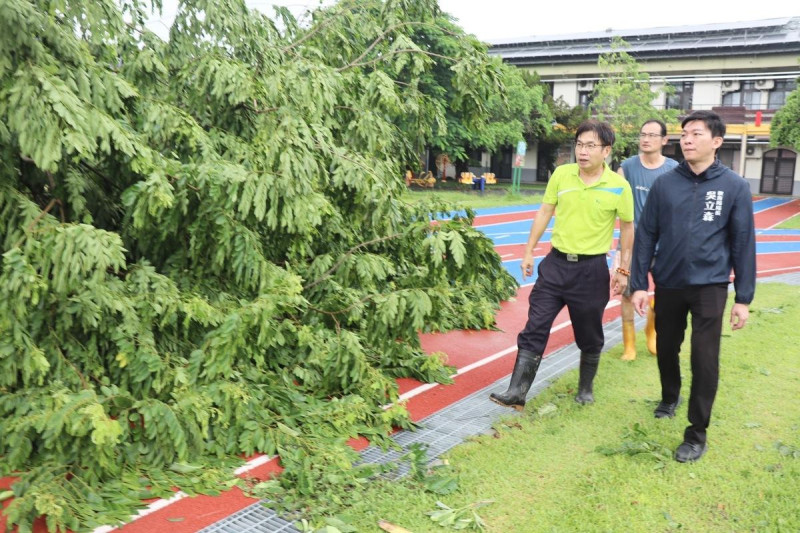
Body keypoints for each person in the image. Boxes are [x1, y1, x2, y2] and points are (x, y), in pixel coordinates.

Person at [630, 110, 756, 463]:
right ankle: (670, 396)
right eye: (684, 133)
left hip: (710, 287)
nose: (687, 139)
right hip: (668, 283)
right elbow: (646, 235)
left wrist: (743, 297)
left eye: (696, 133)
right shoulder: (665, 184)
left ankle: (696, 433)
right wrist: (639, 283)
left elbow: (743, 241)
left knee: (704, 358)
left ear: (716, 141)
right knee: (667, 347)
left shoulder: (734, 187)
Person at [490, 120, 634, 410]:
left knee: (589, 334)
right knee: (535, 325)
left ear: (606, 150)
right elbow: (545, 211)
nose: (582, 151)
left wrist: (622, 269)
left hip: (591, 271)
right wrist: (529, 250)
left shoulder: (619, 186)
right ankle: (516, 392)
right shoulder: (562, 175)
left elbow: (628, 228)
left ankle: (585, 387)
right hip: (555, 265)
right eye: (579, 144)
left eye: (591, 145)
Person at [616, 120, 678, 361]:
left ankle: (651, 332)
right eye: (642, 134)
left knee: (663, 293)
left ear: (664, 140)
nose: (646, 139)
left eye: (652, 135)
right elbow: (616, 199)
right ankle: (629, 345)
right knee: (627, 293)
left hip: (665, 245)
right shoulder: (628, 167)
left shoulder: (673, 168)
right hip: (634, 244)